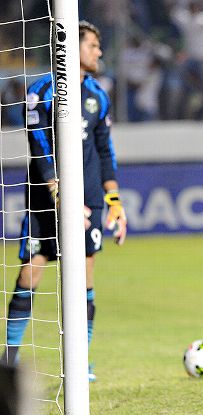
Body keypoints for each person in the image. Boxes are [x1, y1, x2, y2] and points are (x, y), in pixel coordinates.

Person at [1, 21, 127, 381]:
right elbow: (38, 144)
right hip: (46, 197)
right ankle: (9, 359)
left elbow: (105, 150)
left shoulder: (98, 95)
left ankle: (80, 362)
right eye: (93, 45)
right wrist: (61, 195)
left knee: (84, 275)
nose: (99, 52)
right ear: (72, 48)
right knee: (31, 270)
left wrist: (114, 201)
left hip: (90, 199)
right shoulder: (41, 90)